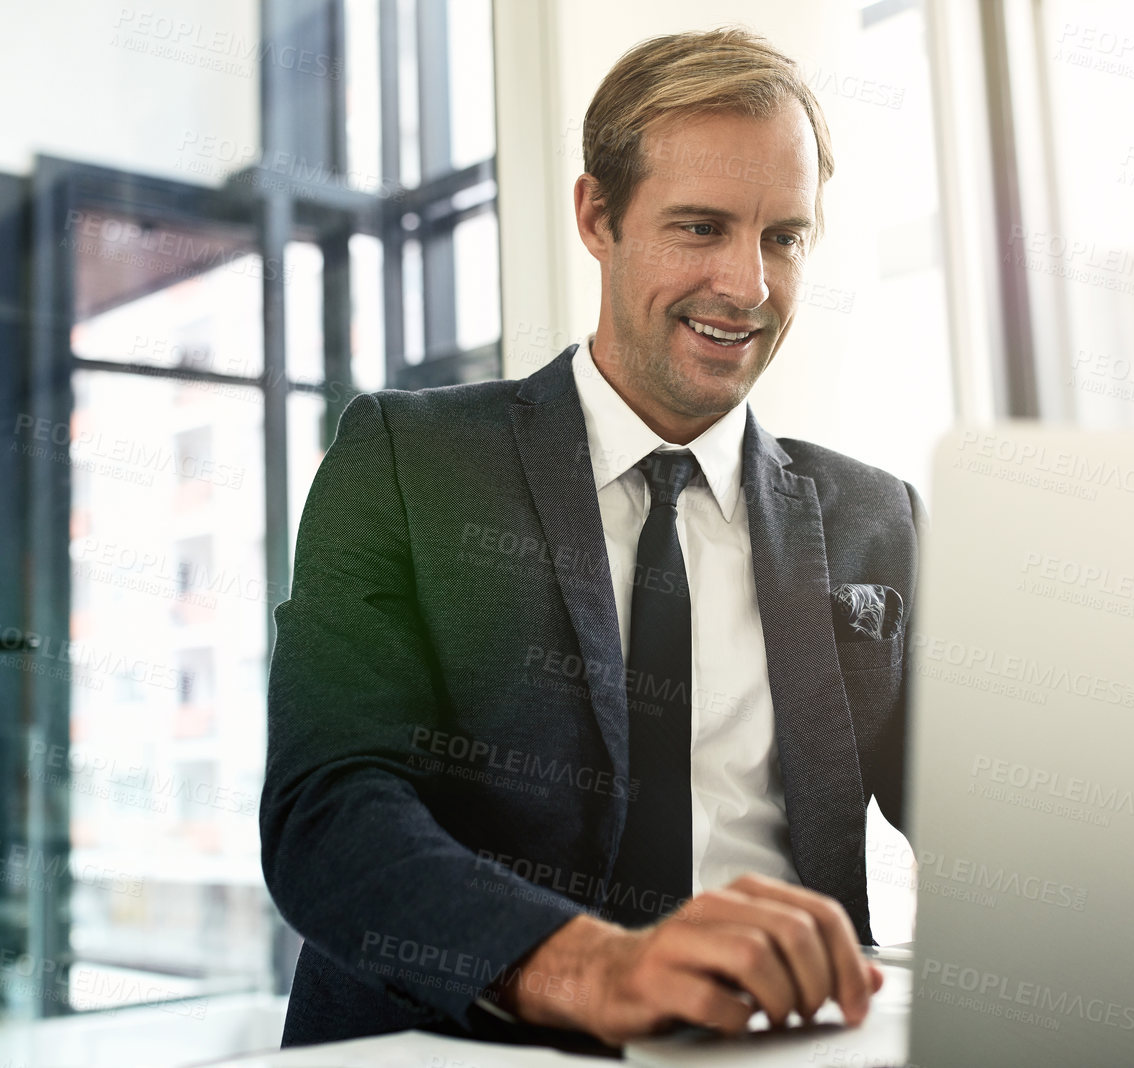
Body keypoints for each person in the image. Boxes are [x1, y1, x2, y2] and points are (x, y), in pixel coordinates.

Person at [261, 26, 923, 1050]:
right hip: (474, 1035)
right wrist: (593, 967)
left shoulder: (875, 516)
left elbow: (984, 824)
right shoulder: (405, 459)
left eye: (783, 237)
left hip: (777, 1042)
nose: (746, 285)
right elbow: (327, 811)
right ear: (596, 217)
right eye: (698, 228)